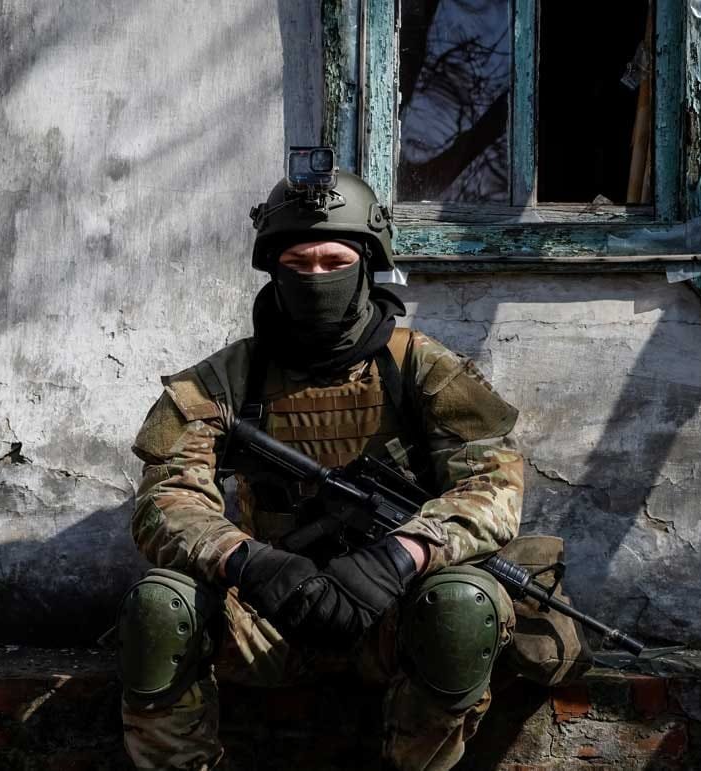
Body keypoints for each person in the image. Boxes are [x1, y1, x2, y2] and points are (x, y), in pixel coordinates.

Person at [117, 162, 532, 771]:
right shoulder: (226, 379)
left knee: (463, 604)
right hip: (268, 618)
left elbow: (492, 486)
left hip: (393, 617)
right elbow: (164, 500)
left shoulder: (420, 367)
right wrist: (247, 560)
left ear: (367, 264)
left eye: (335, 261)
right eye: (298, 263)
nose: (316, 276)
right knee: (161, 605)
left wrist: (404, 553)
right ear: (272, 269)